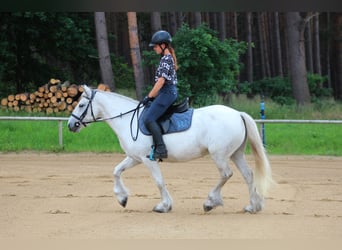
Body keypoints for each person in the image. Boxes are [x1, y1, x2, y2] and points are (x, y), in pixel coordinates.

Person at [142, 30, 178, 160]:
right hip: (168, 93)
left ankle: (161, 149)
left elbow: (161, 81)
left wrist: (149, 96)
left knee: (149, 119)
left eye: (156, 46)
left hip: (166, 93)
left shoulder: (165, 60)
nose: (154, 49)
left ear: (163, 45)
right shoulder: (167, 58)